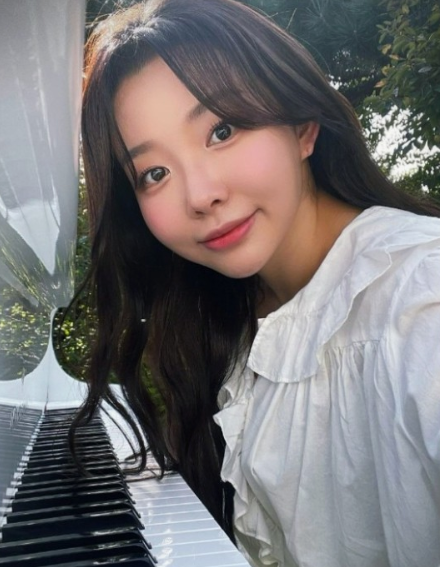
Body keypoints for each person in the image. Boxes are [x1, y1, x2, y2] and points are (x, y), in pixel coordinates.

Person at [72, 0, 440, 565]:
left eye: (222, 130)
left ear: (302, 126)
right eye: (154, 173)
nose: (200, 195)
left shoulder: (420, 297)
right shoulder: (233, 321)